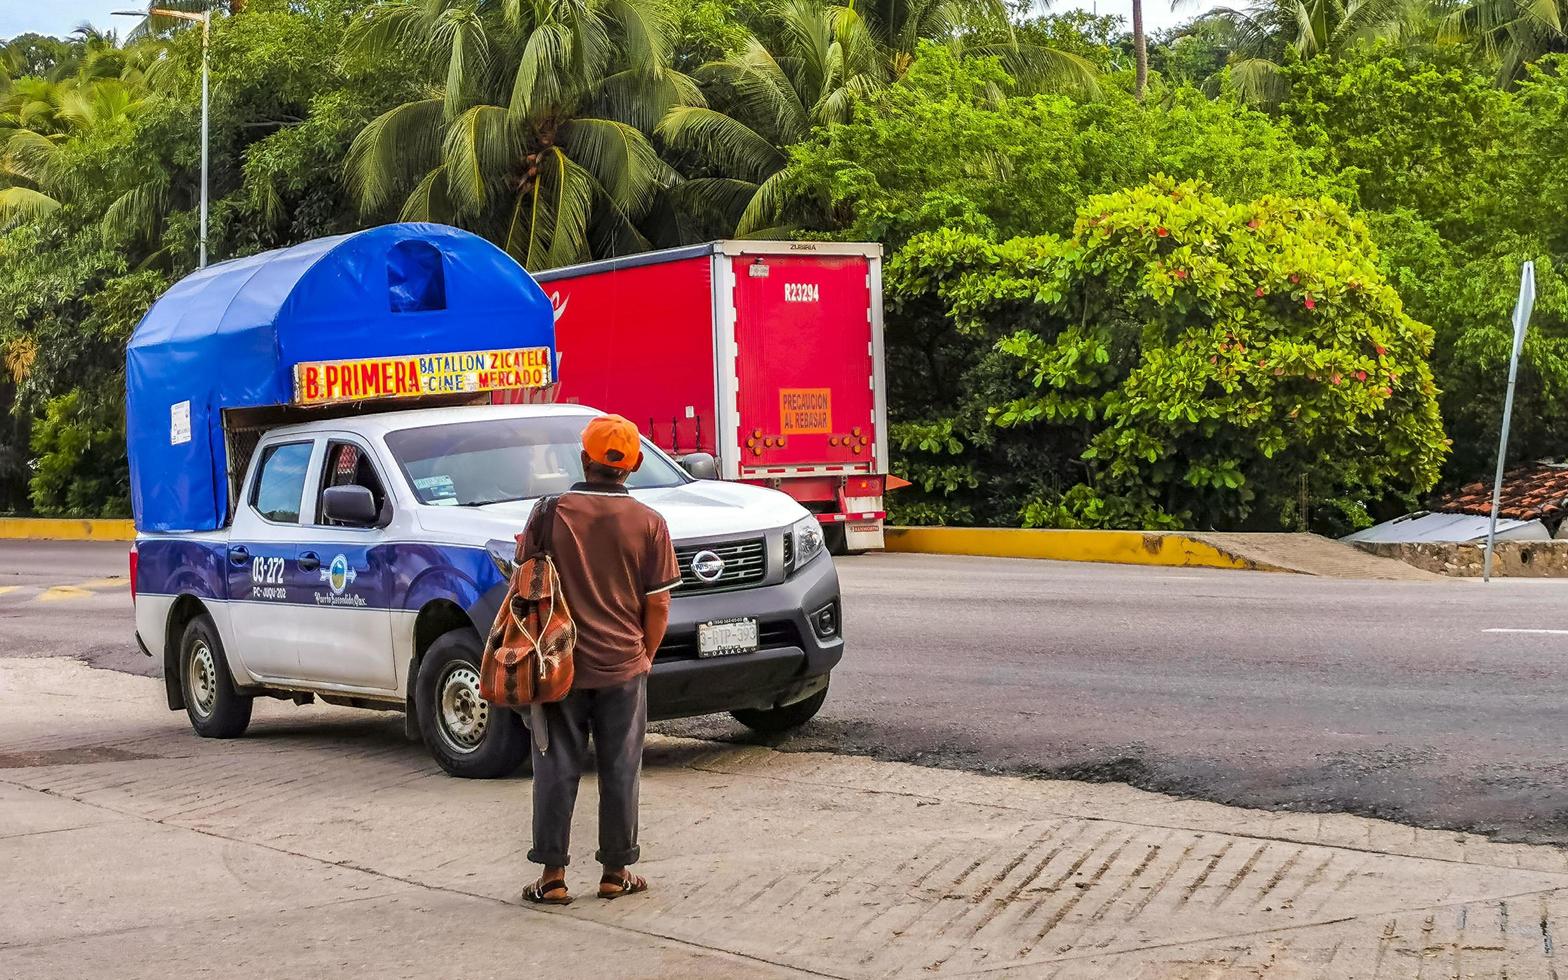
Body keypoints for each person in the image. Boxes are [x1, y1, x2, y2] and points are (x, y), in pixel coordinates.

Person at [521, 414, 681, 905]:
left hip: (557, 665)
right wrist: (645, 654)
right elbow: (658, 602)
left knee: (555, 767)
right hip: (623, 665)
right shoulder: (650, 523)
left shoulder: (549, 513)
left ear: (584, 459)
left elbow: (525, 585)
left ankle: (552, 879)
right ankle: (615, 873)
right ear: (633, 463)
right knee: (620, 767)